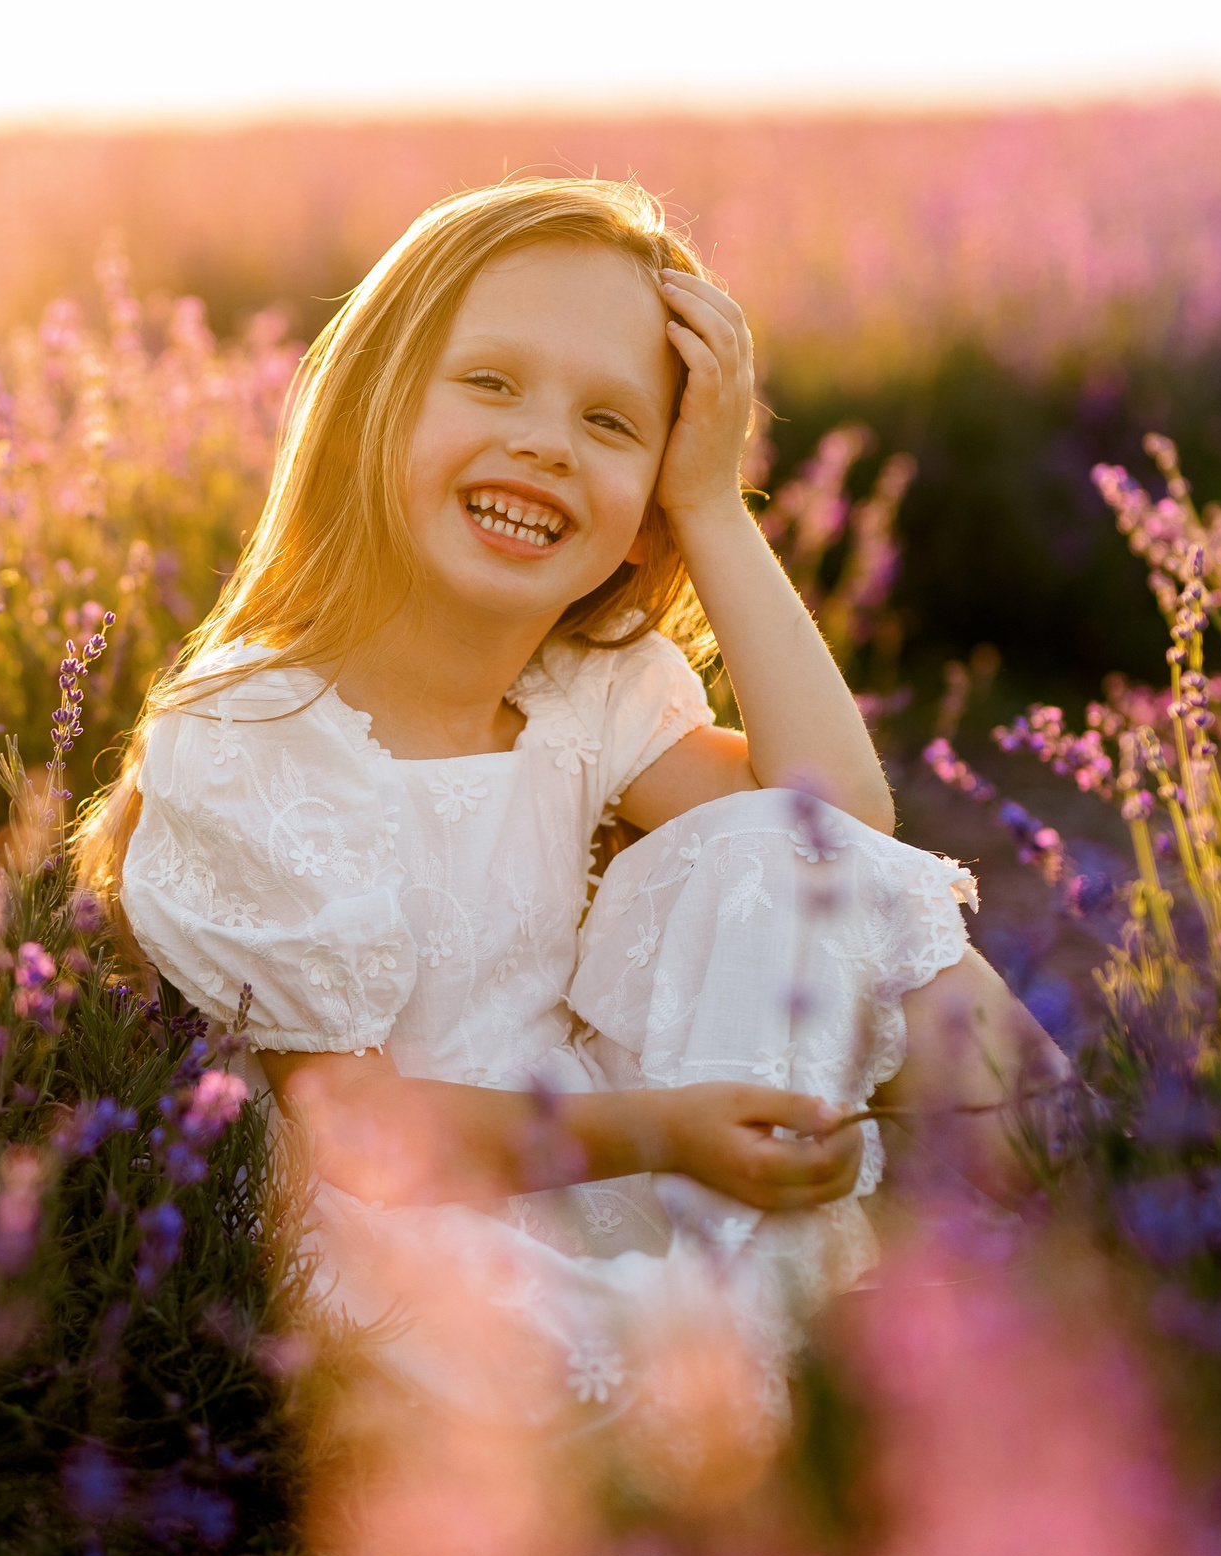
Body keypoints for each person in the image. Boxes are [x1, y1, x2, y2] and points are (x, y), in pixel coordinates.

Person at [71, 177, 1067, 1440]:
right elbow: (370, 1133)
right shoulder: (251, 735)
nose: (544, 440)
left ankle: (1077, 1211)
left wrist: (714, 504)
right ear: (372, 403)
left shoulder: (583, 690)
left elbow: (838, 821)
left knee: (779, 849)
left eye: (611, 421)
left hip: (616, 1153)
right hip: (413, 1221)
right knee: (629, 1402)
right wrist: (667, 1133)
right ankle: (820, 1356)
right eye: (489, 383)